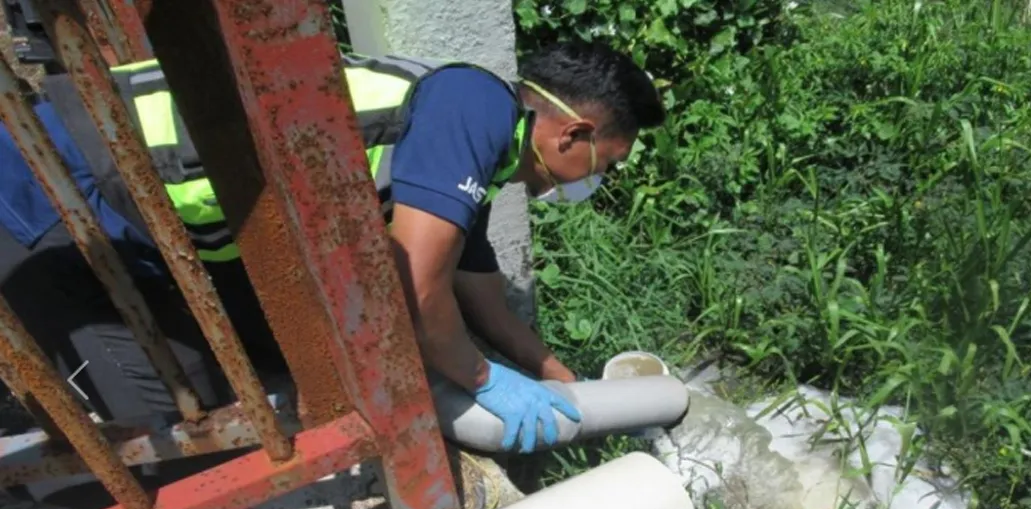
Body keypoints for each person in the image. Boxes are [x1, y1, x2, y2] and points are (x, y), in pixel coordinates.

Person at [0, 40, 665, 465]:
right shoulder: (476, 107)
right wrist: (486, 380)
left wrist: (558, 379)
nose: (593, 180)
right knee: (164, 450)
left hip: (139, 219)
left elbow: (479, 294)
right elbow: (417, 288)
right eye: (604, 164)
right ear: (572, 134)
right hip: (56, 186)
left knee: (235, 395)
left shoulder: (481, 152)